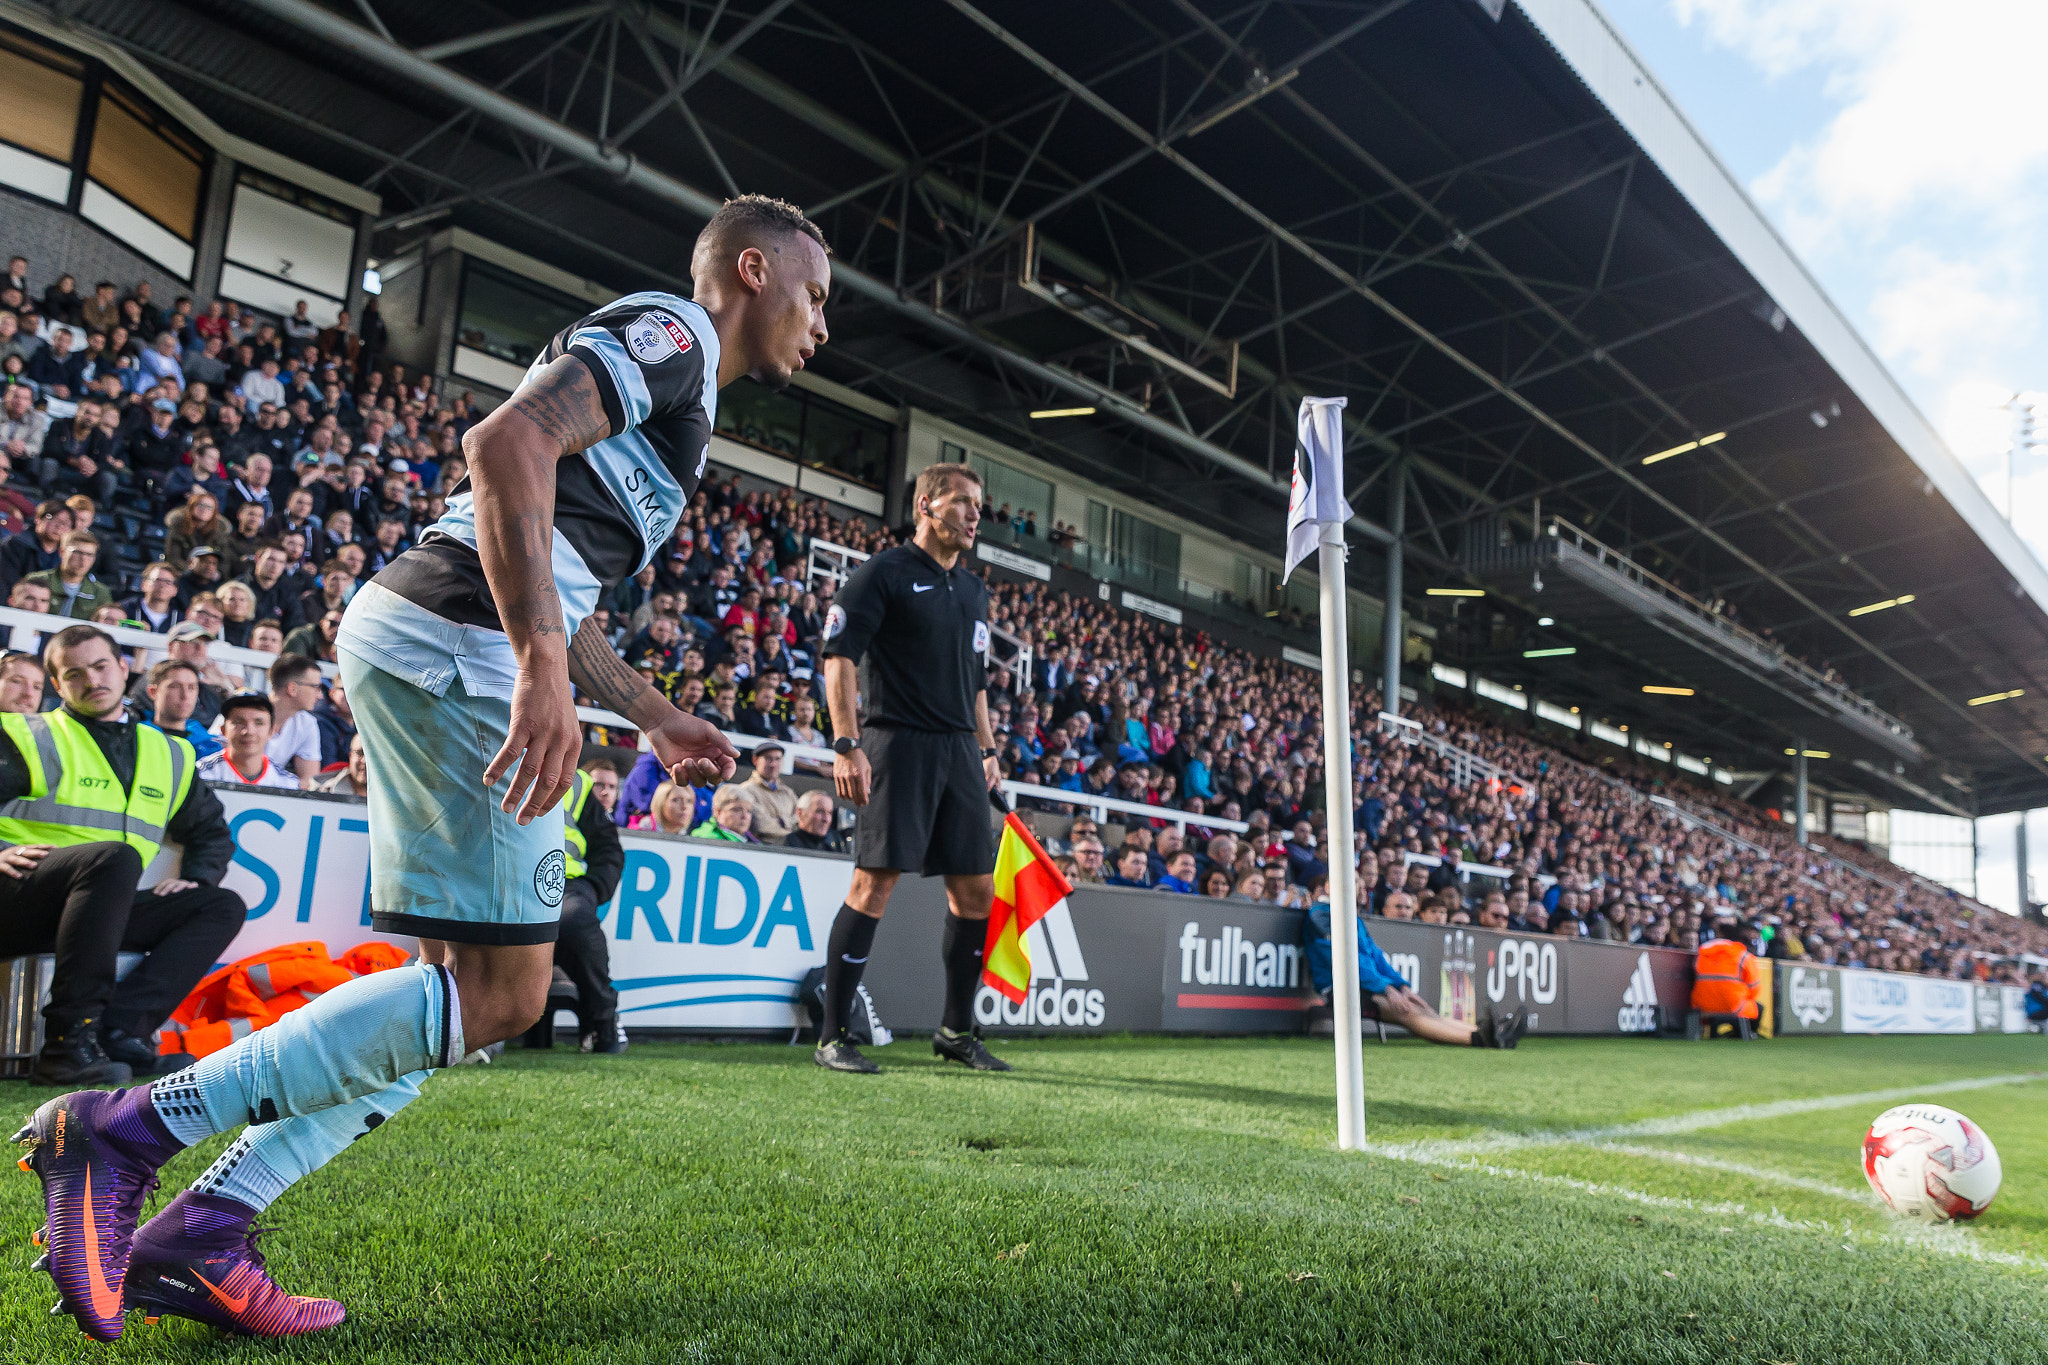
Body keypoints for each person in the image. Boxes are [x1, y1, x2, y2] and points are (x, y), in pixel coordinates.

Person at [10, 194, 821, 1342]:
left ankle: (207, 1230)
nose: (822, 322)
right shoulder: (677, 336)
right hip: (458, 650)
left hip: (443, 640)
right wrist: (540, 669)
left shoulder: (676, 402)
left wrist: (646, 708)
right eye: (816, 294)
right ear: (752, 269)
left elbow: (542, 548)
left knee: (446, 994)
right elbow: (502, 448)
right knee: (503, 996)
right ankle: (122, 1133)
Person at [817, 461, 1005, 1075]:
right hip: (896, 744)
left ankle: (955, 1030)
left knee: (977, 891)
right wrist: (846, 744)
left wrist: (988, 750)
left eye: (979, 505)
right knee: (874, 884)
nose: (975, 514)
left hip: (959, 752)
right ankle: (833, 1036)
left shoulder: (974, 590)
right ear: (926, 505)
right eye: (962, 502)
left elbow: (977, 686)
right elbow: (839, 658)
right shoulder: (883, 573)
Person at [0, 625, 245, 1086]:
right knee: (116, 857)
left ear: (123, 667)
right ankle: (69, 1041)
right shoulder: (28, 735)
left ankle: (119, 1032)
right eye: (74, 674)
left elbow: (212, 831)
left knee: (220, 905)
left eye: (100, 666)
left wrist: (196, 875)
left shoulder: (168, 754)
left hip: (97, 908)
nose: (92, 680)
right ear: (58, 686)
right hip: (18, 897)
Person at [1303, 876, 1523, 1048]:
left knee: (1421, 1007)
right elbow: (1344, 959)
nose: (1359, 891)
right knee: (1408, 1011)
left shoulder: (1351, 917)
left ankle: (1487, 1032)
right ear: (1330, 886)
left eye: (1359, 886)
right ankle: (1479, 1039)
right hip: (1341, 989)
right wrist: (1386, 988)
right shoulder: (1320, 916)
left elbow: (1375, 957)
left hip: (1365, 985)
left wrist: (1400, 985)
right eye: (1353, 885)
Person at [555, 762, 625, 1053]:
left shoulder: (578, 782)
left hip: (565, 883)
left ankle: (602, 1024)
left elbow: (607, 846)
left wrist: (594, 888)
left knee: (577, 924)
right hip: (502, 881)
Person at [196, 692, 301, 789]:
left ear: (271, 731)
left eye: (258, 723)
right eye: (238, 722)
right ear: (223, 730)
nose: (249, 731)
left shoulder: (288, 784)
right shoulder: (200, 775)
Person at [140, 659, 221, 761]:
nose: (185, 695)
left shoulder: (210, 747)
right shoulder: (135, 738)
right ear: (153, 692)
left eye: (191, 687)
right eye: (174, 687)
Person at [264, 654, 324, 788]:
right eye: (316, 687)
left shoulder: (307, 723)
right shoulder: (242, 710)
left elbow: (309, 782)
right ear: (292, 689)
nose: (320, 695)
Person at [735, 739, 799, 841]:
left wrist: (781, 821)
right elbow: (760, 825)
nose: (773, 764)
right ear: (755, 760)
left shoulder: (788, 792)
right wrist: (790, 828)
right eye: (768, 758)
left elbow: (801, 819)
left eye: (777, 759)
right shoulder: (746, 790)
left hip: (791, 849)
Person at [784, 788, 848, 853]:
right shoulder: (787, 844)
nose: (826, 819)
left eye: (830, 813)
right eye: (819, 811)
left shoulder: (836, 842)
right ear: (800, 813)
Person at [692, 784, 761, 843]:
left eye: (749, 811)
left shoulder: (754, 842)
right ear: (718, 812)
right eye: (736, 810)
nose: (744, 816)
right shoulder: (705, 839)